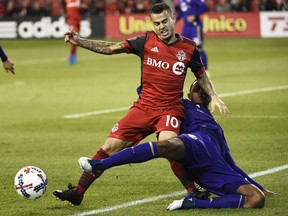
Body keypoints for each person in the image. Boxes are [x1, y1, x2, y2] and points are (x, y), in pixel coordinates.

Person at [53, 3, 229, 206]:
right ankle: (78, 192)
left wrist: (214, 96)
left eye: (164, 21)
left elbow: (201, 74)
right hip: (143, 108)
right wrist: (80, 41)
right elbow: (111, 48)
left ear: (173, 19)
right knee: (110, 146)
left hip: (169, 110)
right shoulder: (145, 41)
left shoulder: (188, 48)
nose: (161, 26)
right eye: (157, 23)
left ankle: (193, 191)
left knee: (169, 144)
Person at [79, 80, 275, 210]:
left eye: (203, 87)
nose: (200, 90)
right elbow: (146, 90)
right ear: (189, 95)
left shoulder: (216, 127)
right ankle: (100, 164)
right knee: (165, 145)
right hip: (194, 142)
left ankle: (193, 204)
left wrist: (258, 185)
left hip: (214, 165)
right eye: (196, 88)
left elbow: (230, 162)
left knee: (257, 199)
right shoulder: (179, 104)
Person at [176, 0, 209, 69]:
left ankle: (205, 70)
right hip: (186, 28)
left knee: (198, 48)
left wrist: (194, 15)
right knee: (181, 48)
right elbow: (182, 13)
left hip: (195, 26)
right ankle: (181, 68)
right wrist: (175, 20)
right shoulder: (181, 1)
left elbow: (205, 6)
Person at [61, 0, 89, 65]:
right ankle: (71, 55)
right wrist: (64, 15)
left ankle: (73, 55)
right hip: (71, 20)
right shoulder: (66, 1)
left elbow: (82, 6)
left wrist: (83, 7)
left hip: (78, 20)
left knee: (77, 39)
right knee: (74, 37)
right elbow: (62, 8)